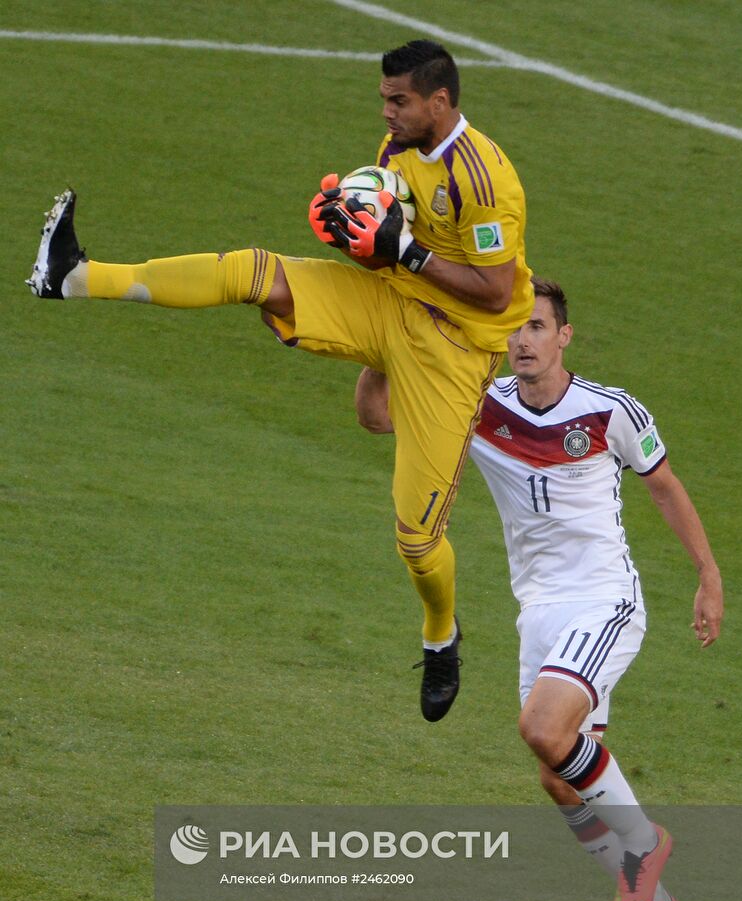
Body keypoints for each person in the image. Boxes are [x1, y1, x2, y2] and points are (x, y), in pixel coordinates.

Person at [27, 39, 534, 724]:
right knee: (254, 272)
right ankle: (74, 276)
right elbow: (390, 246)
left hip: (453, 354)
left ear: (440, 102)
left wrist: (402, 251)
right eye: (384, 98)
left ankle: (441, 636)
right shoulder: (395, 154)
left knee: (416, 542)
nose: (386, 112)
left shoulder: (484, 177)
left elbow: (497, 294)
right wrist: (352, 234)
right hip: (391, 305)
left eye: (399, 101)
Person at [354, 277, 723, 901]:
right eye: (513, 329)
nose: (522, 340)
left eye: (537, 327)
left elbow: (664, 487)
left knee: (542, 728)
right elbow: (377, 416)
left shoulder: (610, 411)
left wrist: (707, 574)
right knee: (558, 776)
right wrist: (382, 344)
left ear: (564, 336)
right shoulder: (476, 401)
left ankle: (646, 848)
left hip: (605, 598)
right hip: (540, 612)